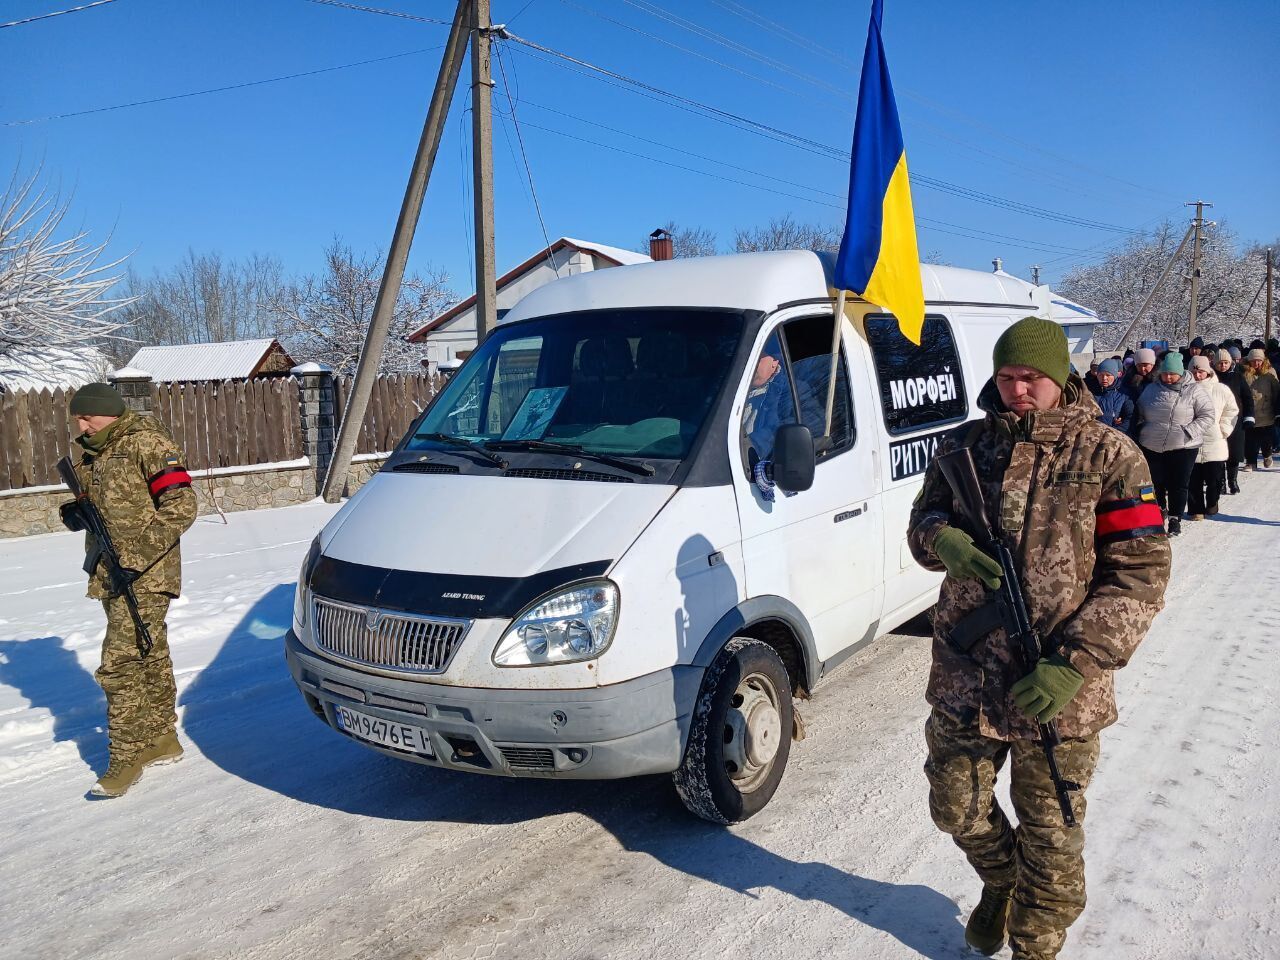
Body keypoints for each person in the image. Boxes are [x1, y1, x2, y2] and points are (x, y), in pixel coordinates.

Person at [909, 316, 1171, 960]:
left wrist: (1076, 663)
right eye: (1006, 377)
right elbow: (923, 520)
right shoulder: (963, 448)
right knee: (955, 806)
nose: (1018, 390)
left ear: (1061, 378)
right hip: (967, 670)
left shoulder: (1109, 455)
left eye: (1032, 378)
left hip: (1057, 682)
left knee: (1051, 836)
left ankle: (1035, 942)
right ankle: (1002, 881)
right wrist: (939, 539)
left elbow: (1141, 573)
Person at [59, 384, 197, 798]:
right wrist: (74, 513)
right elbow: (103, 505)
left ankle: (126, 755)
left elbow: (181, 507)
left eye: (88, 418)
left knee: (117, 665)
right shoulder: (93, 453)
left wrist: (135, 559)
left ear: (111, 413)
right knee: (149, 651)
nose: (82, 426)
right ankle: (161, 738)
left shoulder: (148, 444)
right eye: (78, 419)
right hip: (110, 573)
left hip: (147, 576)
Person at [1131, 352, 1214, 535]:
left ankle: (1175, 518)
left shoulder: (1194, 390)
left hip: (1183, 446)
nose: (1168, 377)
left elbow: (1208, 415)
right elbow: (1140, 410)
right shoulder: (1152, 389)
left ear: (1181, 373)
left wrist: (1189, 431)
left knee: (1178, 484)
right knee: (1155, 483)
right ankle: (1159, 513)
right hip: (1152, 443)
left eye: (1172, 374)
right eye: (1165, 373)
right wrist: (1141, 427)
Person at [1186, 356, 1238, 519]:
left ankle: (1212, 502)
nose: (1197, 375)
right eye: (1194, 371)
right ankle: (1195, 510)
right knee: (1192, 479)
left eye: (1201, 371)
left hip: (1214, 440)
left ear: (1207, 372)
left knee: (1214, 479)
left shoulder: (1220, 389)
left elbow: (1232, 410)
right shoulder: (1183, 389)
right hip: (1190, 440)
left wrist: (1223, 429)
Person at [1214, 348, 1254, 494]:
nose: (1223, 366)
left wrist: (1249, 417)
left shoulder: (1237, 377)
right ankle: (1221, 483)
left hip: (1235, 420)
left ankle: (1233, 481)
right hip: (1216, 421)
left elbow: (1247, 399)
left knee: (1234, 453)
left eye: (1225, 362)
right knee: (1218, 454)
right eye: (1220, 363)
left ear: (1230, 363)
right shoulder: (1212, 378)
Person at [1241, 348, 1280, 469]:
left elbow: (1276, 391)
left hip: (1266, 410)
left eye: (1259, 361)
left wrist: (1276, 410)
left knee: (1266, 438)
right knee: (1250, 439)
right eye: (1254, 361)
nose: (1256, 363)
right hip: (1250, 411)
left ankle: (1267, 455)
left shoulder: (1269, 373)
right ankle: (1251, 462)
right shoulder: (1245, 373)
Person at [1093, 358, 1133, 432]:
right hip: (1095, 435)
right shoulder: (1091, 392)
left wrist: (1115, 433)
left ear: (1114, 376)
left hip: (1116, 437)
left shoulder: (1124, 394)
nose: (1104, 378)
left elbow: (1130, 417)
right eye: (1101, 375)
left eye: (1108, 375)